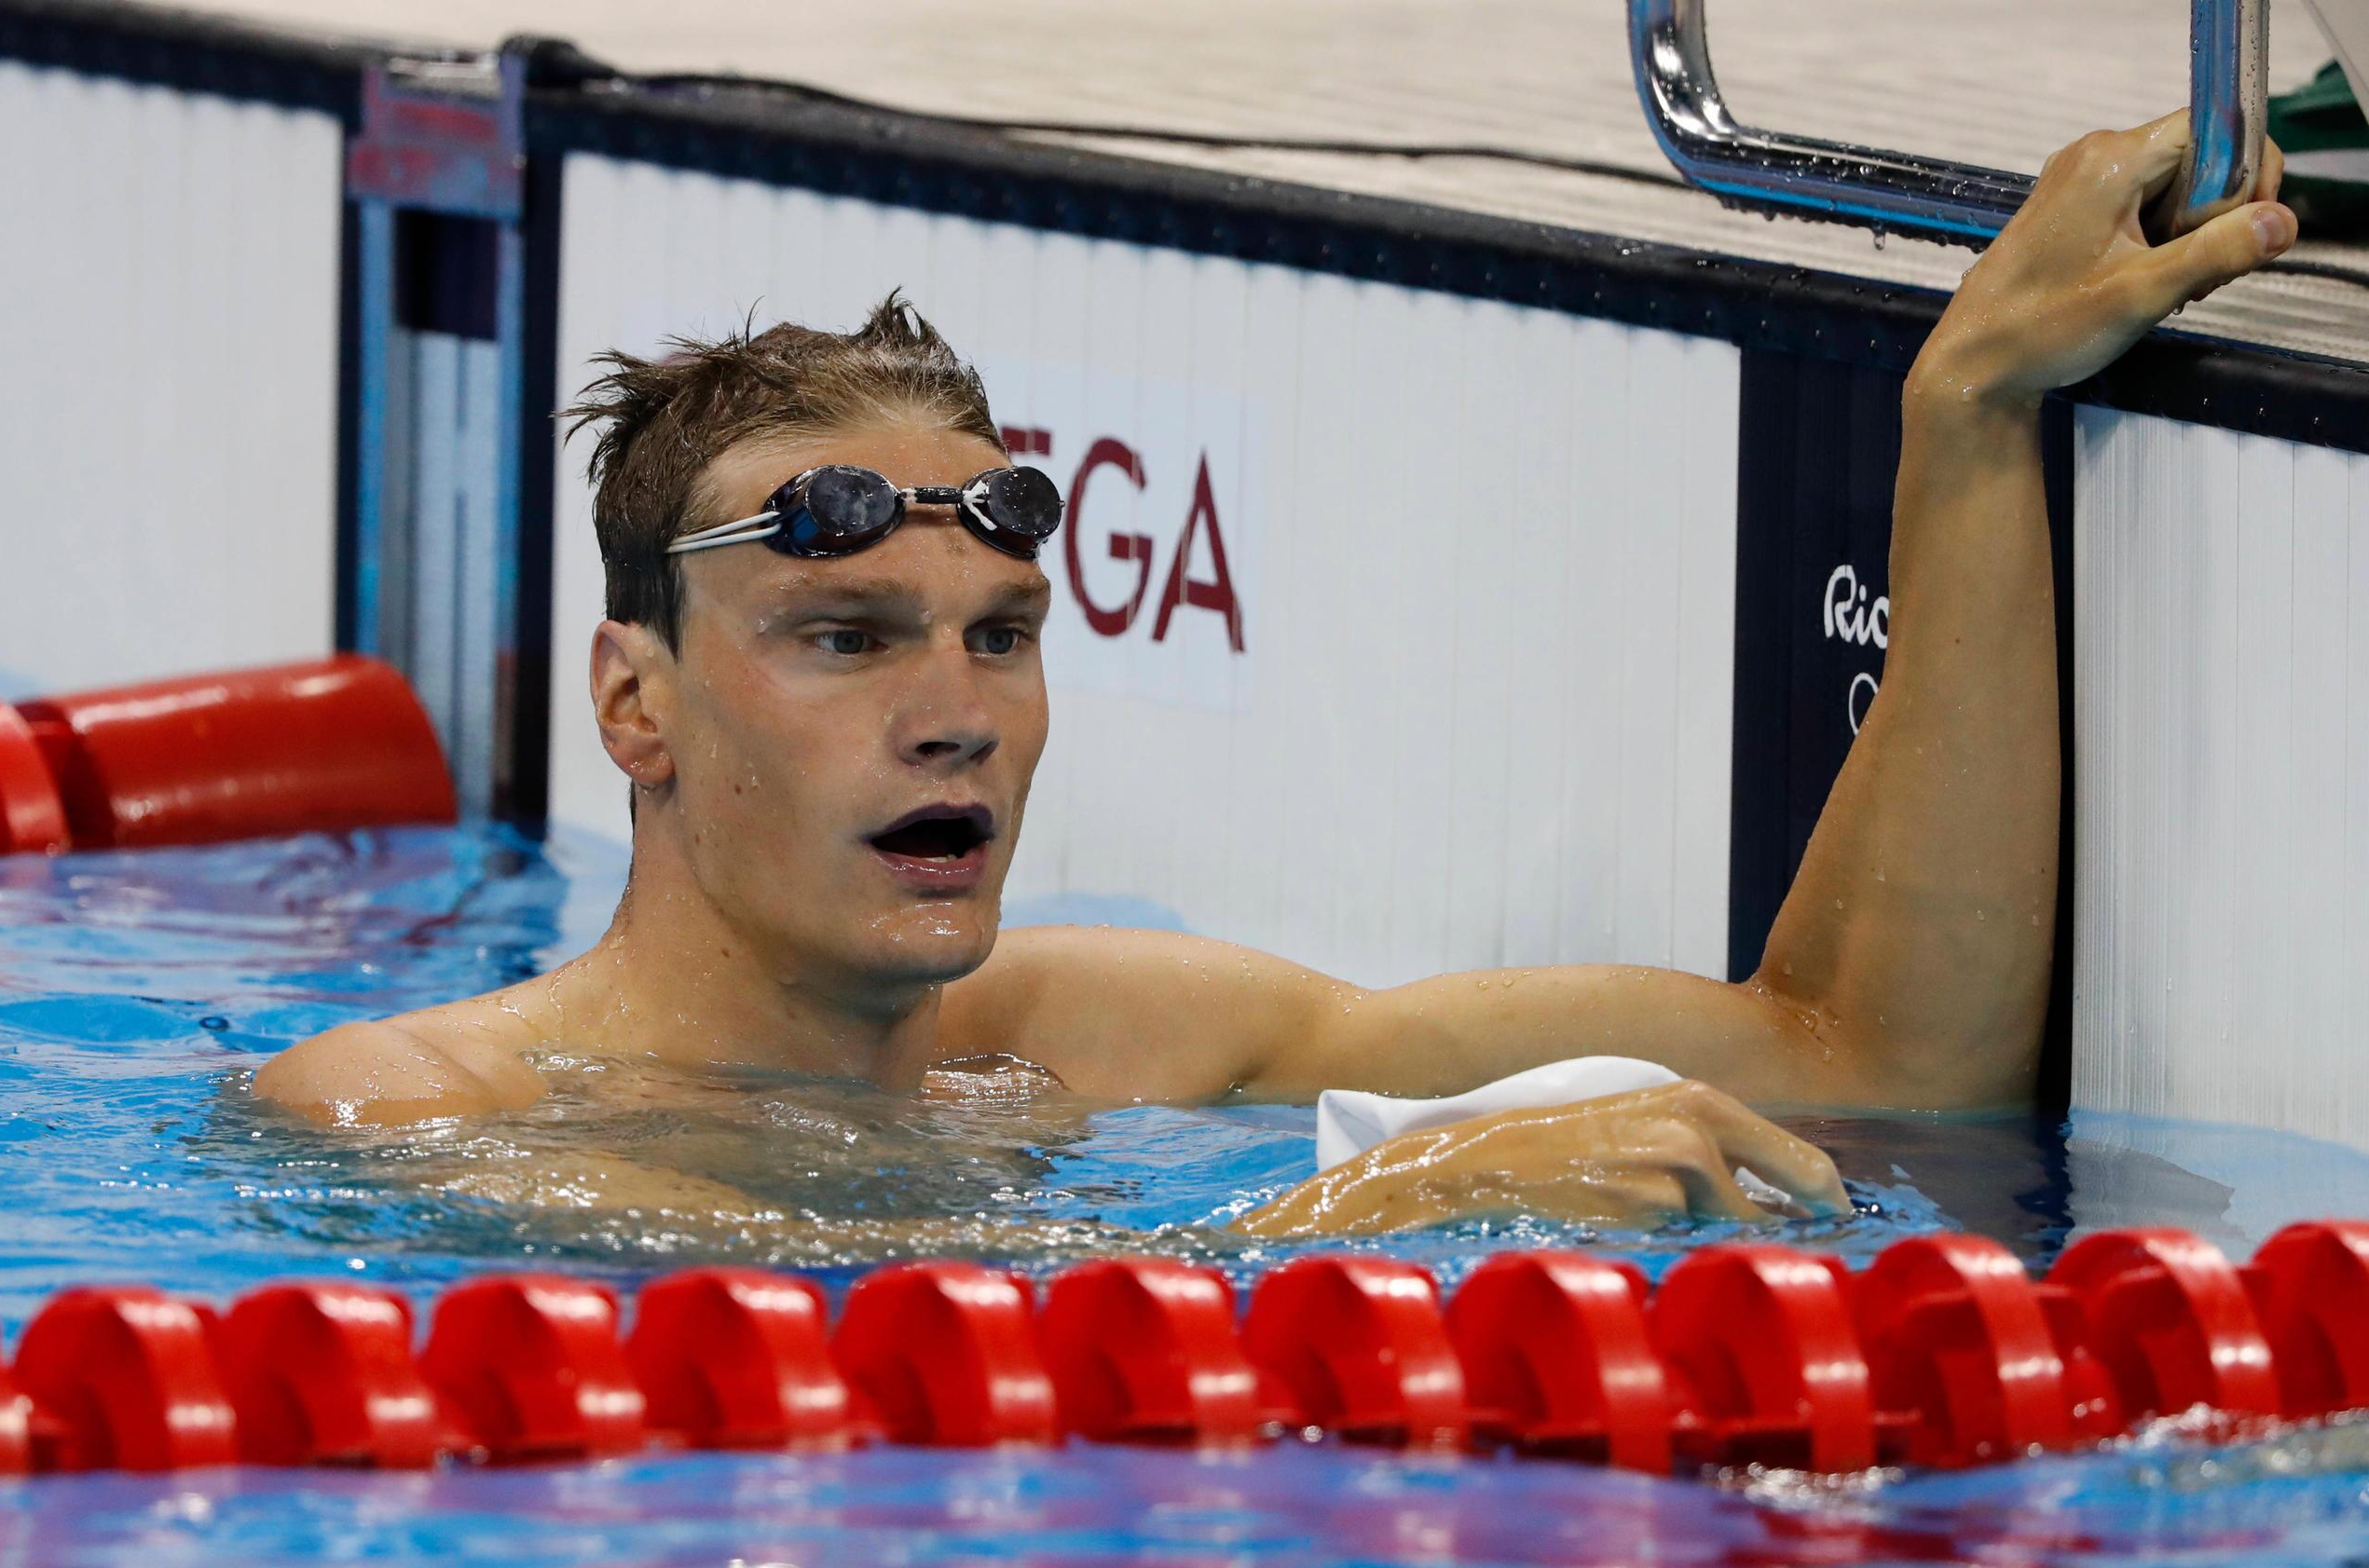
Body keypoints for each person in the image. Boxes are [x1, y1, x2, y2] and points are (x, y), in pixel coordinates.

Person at [256, 113, 2295, 1237]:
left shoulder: (1106, 1033)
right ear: (635, 704)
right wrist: (1403, 1193)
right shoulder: (400, 1102)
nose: (953, 710)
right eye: (846, 639)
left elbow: (1873, 1056)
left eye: (1000, 635)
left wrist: (1967, 415)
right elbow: (898, 1320)